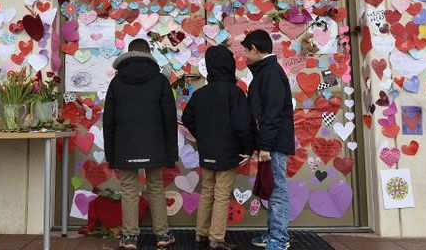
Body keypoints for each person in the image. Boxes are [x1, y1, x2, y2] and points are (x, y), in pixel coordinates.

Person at [103, 38, 178, 249]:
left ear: (128, 54)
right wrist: (171, 152)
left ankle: (129, 237)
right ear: (148, 54)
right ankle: (163, 235)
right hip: (155, 143)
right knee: (155, 187)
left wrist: (111, 154)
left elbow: (108, 120)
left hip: (125, 144)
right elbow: (169, 119)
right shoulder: (160, 80)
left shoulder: (116, 82)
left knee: (128, 188)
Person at [182, 45, 254, 250]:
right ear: (229, 66)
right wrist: (248, 149)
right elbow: (242, 126)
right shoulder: (235, 93)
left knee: (207, 191)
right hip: (229, 151)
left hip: (207, 150)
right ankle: (216, 239)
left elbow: (188, 118)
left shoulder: (200, 94)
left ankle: (200, 234)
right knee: (221, 194)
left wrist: (202, 136)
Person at [241, 30, 295, 250]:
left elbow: (272, 113)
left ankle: (280, 239)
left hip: (274, 142)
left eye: (246, 50)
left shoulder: (270, 72)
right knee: (273, 188)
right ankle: (274, 233)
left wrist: (265, 145)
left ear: (255, 49)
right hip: (272, 140)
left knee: (278, 189)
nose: (245, 54)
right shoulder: (265, 71)